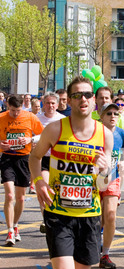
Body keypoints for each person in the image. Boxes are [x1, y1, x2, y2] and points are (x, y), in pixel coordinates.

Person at [29, 75, 113, 269]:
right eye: (77, 95)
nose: (83, 100)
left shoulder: (106, 135)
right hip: (59, 212)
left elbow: (103, 186)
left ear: (95, 99)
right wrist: (39, 182)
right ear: (71, 99)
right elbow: (35, 156)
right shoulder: (55, 129)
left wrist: (105, 171)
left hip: (89, 215)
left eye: (88, 95)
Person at [0, 95, 44, 245]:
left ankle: (16, 224)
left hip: (24, 159)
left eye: (18, 110)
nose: (15, 114)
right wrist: (1, 145)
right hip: (7, 158)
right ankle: (10, 230)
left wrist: (30, 139)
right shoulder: (2, 118)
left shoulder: (30, 117)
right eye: (12, 110)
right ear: (7, 106)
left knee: (20, 198)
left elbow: (42, 134)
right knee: (10, 195)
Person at [98, 102, 124, 269]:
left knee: (110, 214)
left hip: (112, 178)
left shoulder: (121, 134)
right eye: (109, 113)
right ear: (101, 116)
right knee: (96, 218)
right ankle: (90, 244)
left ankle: (105, 254)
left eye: (115, 114)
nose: (112, 116)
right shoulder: (93, 132)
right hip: (92, 179)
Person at [34, 92, 65, 233]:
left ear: (57, 105)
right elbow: (29, 137)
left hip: (59, 160)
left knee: (59, 192)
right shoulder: (36, 119)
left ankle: (58, 216)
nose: (50, 106)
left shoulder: (63, 120)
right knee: (44, 188)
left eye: (53, 103)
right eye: (48, 103)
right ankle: (46, 219)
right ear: (43, 104)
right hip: (43, 159)